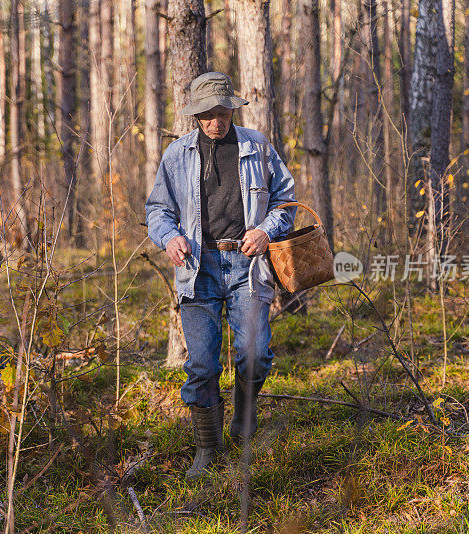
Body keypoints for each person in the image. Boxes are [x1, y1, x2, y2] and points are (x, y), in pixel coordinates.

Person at [145, 72, 296, 479]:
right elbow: (158, 210)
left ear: (232, 108)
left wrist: (266, 230)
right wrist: (170, 237)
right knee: (201, 366)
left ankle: (244, 423)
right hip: (198, 270)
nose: (216, 121)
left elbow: (286, 201)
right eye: (207, 114)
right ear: (195, 116)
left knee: (254, 353)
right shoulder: (176, 155)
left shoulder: (257, 147)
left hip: (248, 268)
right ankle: (208, 450)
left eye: (222, 112)